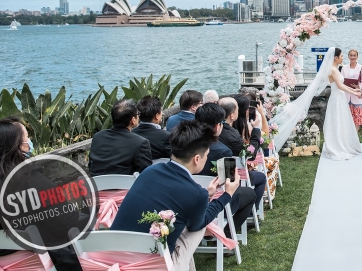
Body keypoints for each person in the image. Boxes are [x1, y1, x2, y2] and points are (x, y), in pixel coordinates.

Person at [111, 121, 238, 271]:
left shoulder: (150, 171)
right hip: (153, 264)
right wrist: (227, 195)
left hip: (115, 255)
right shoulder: (196, 193)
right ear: (197, 159)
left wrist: (207, 195)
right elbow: (197, 224)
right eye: (206, 156)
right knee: (197, 229)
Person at [0, 118, 83, 270]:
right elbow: (68, 224)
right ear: (16, 147)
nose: (30, 141)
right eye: (27, 137)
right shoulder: (32, 181)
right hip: (34, 263)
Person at [194, 104, 256, 237]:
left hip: (190, 195)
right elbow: (230, 181)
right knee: (250, 194)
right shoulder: (223, 150)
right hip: (216, 200)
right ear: (217, 126)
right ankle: (226, 234)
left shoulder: (185, 144)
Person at [218, 97, 268, 207]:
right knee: (261, 177)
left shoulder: (215, 130)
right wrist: (256, 130)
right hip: (231, 176)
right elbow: (250, 155)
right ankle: (251, 211)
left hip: (215, 177)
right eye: (237, 110)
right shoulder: (232, 135)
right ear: (232, 115)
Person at [88, 99, 152, 176]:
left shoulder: (97, 137)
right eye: (137, 113)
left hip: (97, 186)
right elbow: (147, 173)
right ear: (133, 120)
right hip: (125, 186)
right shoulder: (140, 142)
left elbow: (91, 166)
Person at [322, 47, 362, 160]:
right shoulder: (334, 70)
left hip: (339, 97)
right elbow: (340, 86)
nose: (342, 58)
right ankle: (338, 144)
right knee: (337, 121)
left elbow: (341, 85)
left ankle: (342, 141)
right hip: (337, 98)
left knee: (342, 120)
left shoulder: (334, 68)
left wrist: (354, 91)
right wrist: (353, 92)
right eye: (341, 56)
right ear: (335, 58)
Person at [133, 95, 171, 160]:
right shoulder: (166, 136)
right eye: (161, 112)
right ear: (156, 116)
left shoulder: (131, 133)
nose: (163, 114)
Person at [340, 49, 362, 131]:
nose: (352, 57)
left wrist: (359, 86)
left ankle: (355, 137)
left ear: (357, 56)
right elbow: (341, 80)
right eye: (351, 55)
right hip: (346, 95)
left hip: (357, 95)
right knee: (346, 117)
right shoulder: (344, 67)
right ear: (348, 56)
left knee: (357, 118)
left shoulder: (361, 68)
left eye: (354, 55)